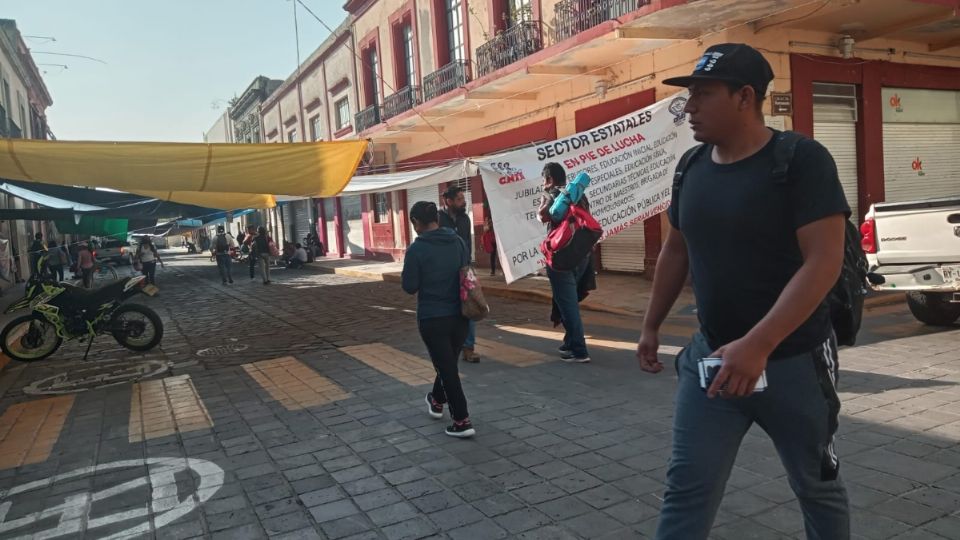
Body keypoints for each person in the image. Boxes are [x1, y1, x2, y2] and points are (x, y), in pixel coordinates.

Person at [637, 44, 851, 540]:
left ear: (745, 97)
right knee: (686, 489)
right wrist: (651, 325)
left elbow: (825, 260)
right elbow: (676, 249)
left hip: (795, 363)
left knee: (816, 485)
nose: (689, 107)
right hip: (710, 363)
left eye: (703, 94)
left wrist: (759, 345)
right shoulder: (690, 167)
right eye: (689, 96)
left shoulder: (801, 160)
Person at [402, 201, 475, 438]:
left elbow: (409, 286)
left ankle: (462, 420)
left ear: (416, 222)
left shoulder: (416, 249)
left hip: (433, 317)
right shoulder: (458, 241)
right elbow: (466, 270)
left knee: (447, 369)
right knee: (447, 364)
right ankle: (436, 400)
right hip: (461, 316)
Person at [539, 162, 593, 364]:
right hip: (582, 255)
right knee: (568, 301)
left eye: (544, 179)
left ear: (550, 179)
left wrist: (540, 208)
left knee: (568, 305)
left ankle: (579, 350)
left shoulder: (551, 194)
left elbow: (542, 217)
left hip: (561, 258)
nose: (543, 184)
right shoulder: (579, 195)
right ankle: (570, 343)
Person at [439, 186, 479, 363]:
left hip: (465, 270)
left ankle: (469, 348)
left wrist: (469, 268)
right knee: (448, 310)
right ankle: (449, 346)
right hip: (445, 273)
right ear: (448, 201)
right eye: (460, 199)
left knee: (470, 309)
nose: (464, 202)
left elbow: (467, 244)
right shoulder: (439, 219)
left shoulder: (464, 219)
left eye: (464, 198)